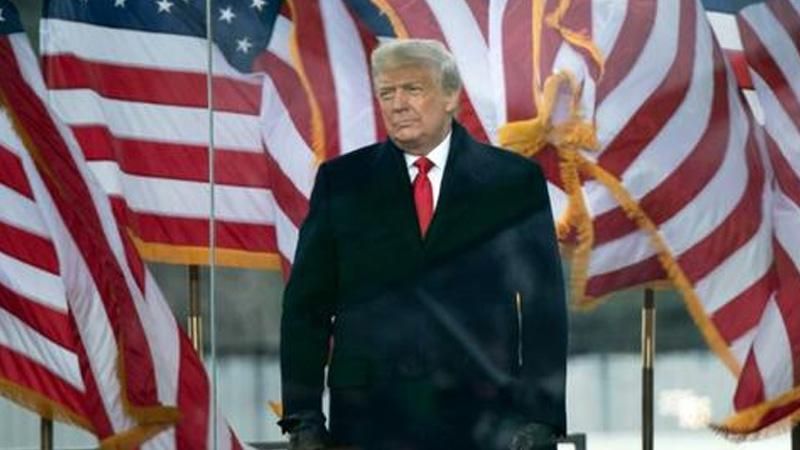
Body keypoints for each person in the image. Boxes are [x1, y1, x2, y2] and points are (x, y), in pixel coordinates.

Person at [279, 39, 567, 450]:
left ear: (450, 96)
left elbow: (544, 308)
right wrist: (302, 417)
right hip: (367, 420)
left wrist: (542, 417)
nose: (397, 104)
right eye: (387, 93)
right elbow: (306, 308)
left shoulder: (512, 181)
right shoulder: (341, 182)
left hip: (482, 418)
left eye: (412, 89)